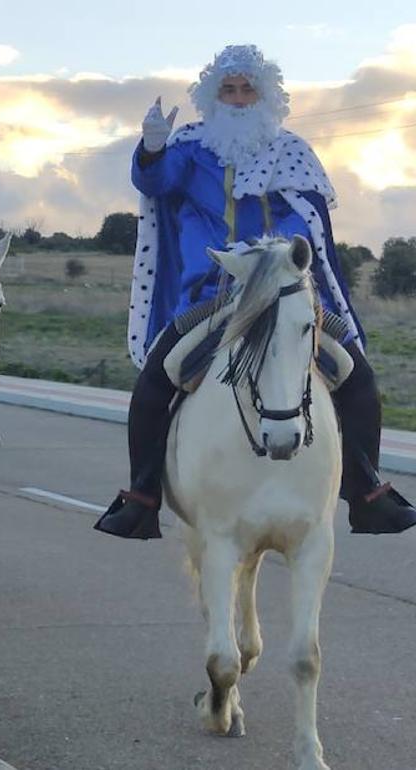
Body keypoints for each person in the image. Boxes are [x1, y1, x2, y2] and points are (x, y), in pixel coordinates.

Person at [94, 44, 415, 540]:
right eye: (229, 89)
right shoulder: (190, 147)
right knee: (158, 377)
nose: (239, 99)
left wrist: (269, 252)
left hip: (282, 285)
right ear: (212, 95)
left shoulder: (292, 150)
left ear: (266, 96)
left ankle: (367, 492)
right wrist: (152, 148)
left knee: (355, 374)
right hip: (213, 288)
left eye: (248, 90)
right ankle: (141, 496)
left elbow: (304, 217)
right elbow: (155, 182)